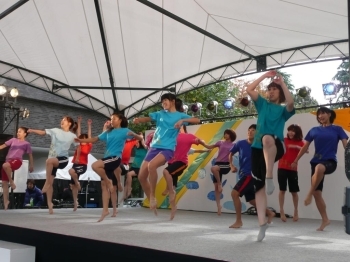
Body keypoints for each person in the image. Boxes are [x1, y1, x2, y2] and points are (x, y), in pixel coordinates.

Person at [246, 70, 295, 241]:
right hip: (257, 149)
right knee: (258, 188)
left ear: (279, 92)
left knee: (267, 138)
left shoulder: (282, 110)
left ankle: (269, 176)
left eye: (275, 89)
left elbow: (291, 102)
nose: (271, 91)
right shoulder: (262, 105)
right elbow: (249, 89)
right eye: (269, 89)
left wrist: (282, 83)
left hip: (276, 145)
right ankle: (262, 224)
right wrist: (264, 76)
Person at [133, 93, 200, 214]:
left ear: (173, 101)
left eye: (166, 101)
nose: (163, 103)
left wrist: (182, 120)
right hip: (154, 148)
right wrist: (139, 120)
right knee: (141, 176)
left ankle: (153, 196)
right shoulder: (160, 114)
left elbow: (197, 120)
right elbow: (148, 118)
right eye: (162, 101)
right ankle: (151, 199)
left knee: (151, 166)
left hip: (167, 148)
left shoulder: (180, 115)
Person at [75, 113, 142, 222]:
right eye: (111, 119)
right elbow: (94, 139)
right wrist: (81, 140)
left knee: (95, 165)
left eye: (114, 119)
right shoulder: (108, 131)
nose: (111, 121)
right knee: (103, 186)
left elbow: (139, 137)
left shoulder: (125, 131)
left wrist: (134, 135)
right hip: (107, 158)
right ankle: (105, 210)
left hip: (115, 158)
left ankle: (110, 185)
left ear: (120, 120)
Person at [292, 107, 348, 231]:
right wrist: (296, 160)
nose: (320, 116)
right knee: (318, 193)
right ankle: (325, 219)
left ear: (329, 114)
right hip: (315, 161)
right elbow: (304, 147)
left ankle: (308, 194)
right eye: (318, 115)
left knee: (319, 168)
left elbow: (346, 146)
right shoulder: (314, 130)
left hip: (330, 162)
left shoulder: (337, 129)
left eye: (323, 113)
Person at [28, 116, 78, 214]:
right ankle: (50, 204)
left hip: (63, 159)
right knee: (50, 182)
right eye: (62, 119)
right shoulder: (55, 130)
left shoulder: (72, 136)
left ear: (69, 123)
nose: (62, 121)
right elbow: (43, 133)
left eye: (64, 120)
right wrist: (32, 130)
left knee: (49, 162)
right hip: (52, 159)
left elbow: (78, 147)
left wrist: (78, 158)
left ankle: (46, 183)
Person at [228, 124, 275, 228]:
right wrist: (231, 165)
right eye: (249, 130)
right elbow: (231, 153)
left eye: (253, 130)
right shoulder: (240, 143)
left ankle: (238, 221)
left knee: (234, 194)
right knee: (251, 200)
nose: (250, 131)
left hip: (251, 175)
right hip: (242, 174)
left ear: (257, 133)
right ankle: (270, 213)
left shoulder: (259, 146)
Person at [162, 125, 211, 220]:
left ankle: (168, 189)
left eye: (180, 127)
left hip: (181, 163)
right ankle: (173, 208)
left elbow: (198, 148)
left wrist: (206, 148)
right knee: (173, 185)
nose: (177, 128)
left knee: (166, 172)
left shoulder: (188, 138)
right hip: (171, 163)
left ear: (184, 128)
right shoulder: (172, 138)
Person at [0, 127, 34, 210]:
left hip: (17, 161)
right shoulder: (13, 140)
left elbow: (30, 155)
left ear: (25, 134)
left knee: (5, 165)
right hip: (8, 161)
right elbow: (3, 146)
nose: (18, 133)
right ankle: (6, 202)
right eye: (17, 132)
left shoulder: (26, 144)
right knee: (4, 183)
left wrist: (31, 165)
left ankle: (11, 183)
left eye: (20, 132)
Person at [278, 124, 306, 222]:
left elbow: (306, 150)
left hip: (293, 169)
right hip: (281, 167)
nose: (290, 132)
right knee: (282, 190)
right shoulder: (284, 140)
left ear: (297, 132)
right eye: (289, 130)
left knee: (294, 191)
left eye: (293, 131)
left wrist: (297, 147)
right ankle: (281, 211)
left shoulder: (300, 142)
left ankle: (296, 211)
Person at [205, 129, 236, 215]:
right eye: (225, 134)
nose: (225, 135)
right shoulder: (220, 142)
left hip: (226, 165)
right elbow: (209, 146)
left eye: (227, 134)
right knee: (215, 188)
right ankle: (219, 206)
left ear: (231, 135)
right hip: (218, 164)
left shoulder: (234, 145)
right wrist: (201, 143)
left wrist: (232, 166)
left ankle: (219, 184)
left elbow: (234, 155)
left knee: (213, 169)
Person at [69, 117, 93, 211]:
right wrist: (79, 123)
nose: (82, 140)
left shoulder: (88, 145)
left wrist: (89, 125)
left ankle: (77, 182)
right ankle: (75, 202)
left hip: (83, 165)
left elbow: (90, 136)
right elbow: (78, 134)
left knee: (71, 171)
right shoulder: (78, 144)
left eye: (84, 139)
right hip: (75, 164)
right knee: (73, 186)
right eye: (81, 139)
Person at [124, 134, 148, 199]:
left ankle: (129, 190)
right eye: (135, 143)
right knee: (127, 181)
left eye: (137, 143)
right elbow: (129, 140)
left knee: (129, 174)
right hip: (134, 166)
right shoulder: (135, 148)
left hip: (140, 168)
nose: (136, 144)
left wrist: (141, 138)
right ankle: (124, 196)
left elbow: (146, 146)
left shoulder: (145, 149)